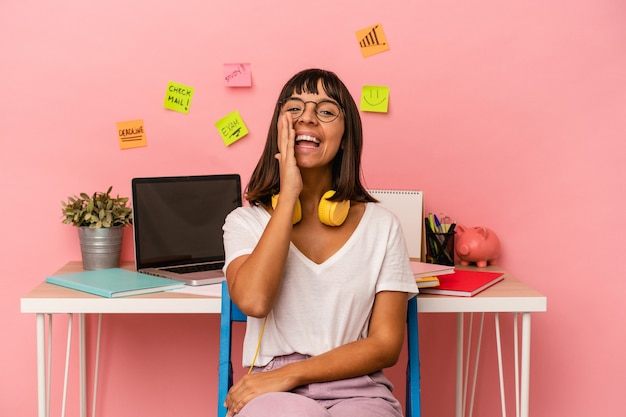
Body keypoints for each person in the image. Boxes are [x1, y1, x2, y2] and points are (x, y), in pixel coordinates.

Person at [222, 68, 418, 417]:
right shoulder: (245, 222)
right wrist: (289, 192)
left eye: (326, 111)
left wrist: (291, 373)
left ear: (344, 138)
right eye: (295, 109)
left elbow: (386, 345)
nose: (308, 117)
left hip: (359, 389)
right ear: (278, 130)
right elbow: (254, 301)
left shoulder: (382, 225)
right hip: (270, 392)